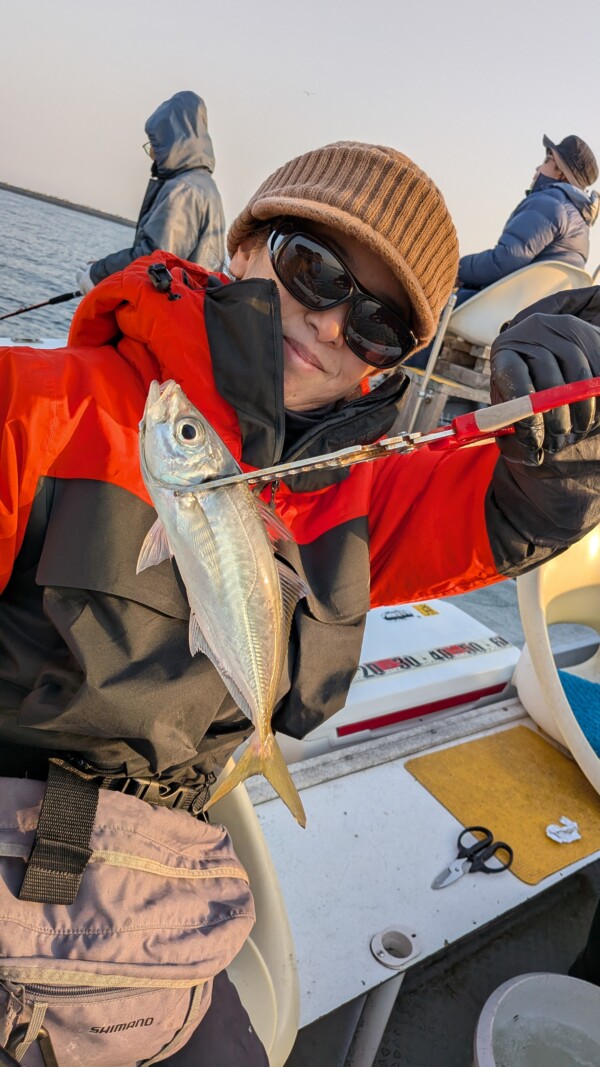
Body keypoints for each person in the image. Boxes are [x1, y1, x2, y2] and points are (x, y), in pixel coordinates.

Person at [2, 141, 600, 1065]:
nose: (327, 326)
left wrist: (563, 445)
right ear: (242, 248)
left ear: (386, 368)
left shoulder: (354, 499)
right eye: (310, 269)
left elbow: (500, 510)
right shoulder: (39, 404)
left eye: (377, 328)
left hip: (161, 909)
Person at [76, 90, 225, 294]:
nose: (153, 154)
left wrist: (98, 274)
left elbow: (155, 260)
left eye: (155, 144)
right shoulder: (205, 186)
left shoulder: (183, 190)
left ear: (170, 142)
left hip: (173, 313)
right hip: (192, 307)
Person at [456, 132, 599, 304]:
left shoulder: (549, 204)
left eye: (547, 160)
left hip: (502, 310)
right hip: (532, 314)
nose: (537, 169)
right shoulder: (579, 223)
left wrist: (456, 269)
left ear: (561, 172)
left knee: (426, 308)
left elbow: (504, 261)